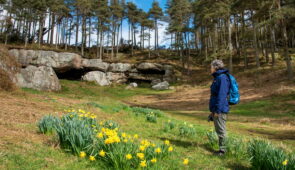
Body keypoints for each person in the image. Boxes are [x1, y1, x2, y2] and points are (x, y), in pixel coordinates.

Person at [208, 59, 230, 156]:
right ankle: (222, 149)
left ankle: (223, 151)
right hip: (216, 109)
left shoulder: (222, 78)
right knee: (219, 129)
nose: (210, 69)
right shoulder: (218, 78)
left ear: (215, 67)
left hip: (220, 110)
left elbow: (222, 95)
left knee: (221, 130)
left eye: (211, 67)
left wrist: (218, 110)